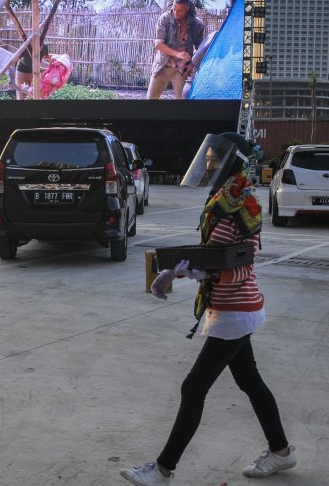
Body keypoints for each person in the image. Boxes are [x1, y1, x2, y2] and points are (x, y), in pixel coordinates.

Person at [120, 133, 296, 485]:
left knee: (193, 388)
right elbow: (210, 255)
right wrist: (174, 270)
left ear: (233, 162)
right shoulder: (223, 199)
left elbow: (242, 264)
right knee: (250, 380)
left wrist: (193, 272)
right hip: (229, 306)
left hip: (235, 309)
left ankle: (163, 469)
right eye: (210, 156)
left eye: (215, 158)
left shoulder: (245, 204)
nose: (209, 163)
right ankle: (281, 452)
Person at [146, 0, 205, 100]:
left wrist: (192, 64)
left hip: (181, 70)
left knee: (183, 104)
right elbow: (158, 44)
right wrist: (178, 54)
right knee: (150, 100)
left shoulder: (197, 24)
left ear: (187, 9)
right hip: (162, 67)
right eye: (174, 9)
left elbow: (200, 49)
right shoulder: (164, 18)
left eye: (180, 11)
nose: (176, 13)